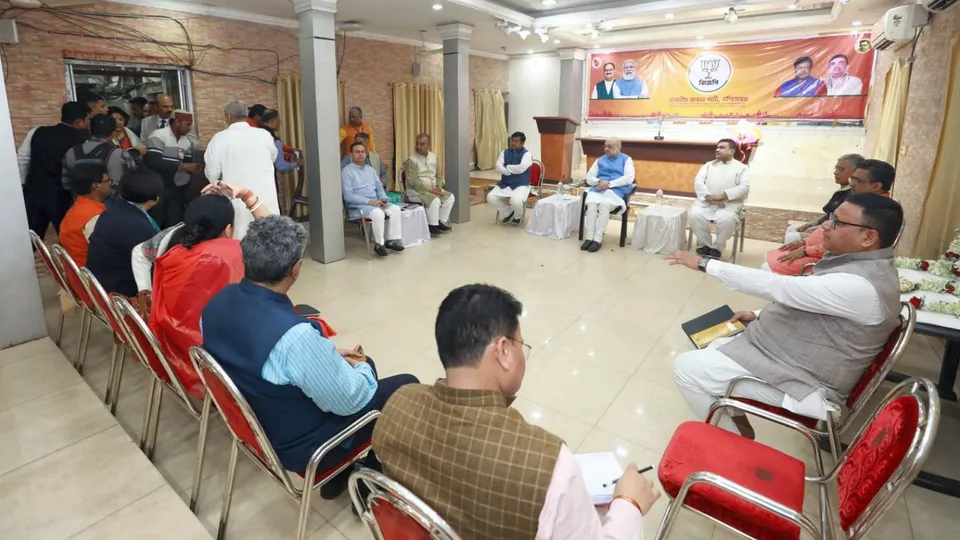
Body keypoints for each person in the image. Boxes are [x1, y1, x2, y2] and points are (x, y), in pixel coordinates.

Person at [373, 284, 661, 539]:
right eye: (521, 344)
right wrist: (629, 504)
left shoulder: (398, 404)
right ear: (503, 351)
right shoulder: (548, 465)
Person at [201, 215, 419, 497]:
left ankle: (343, 473)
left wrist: (325, 355)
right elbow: (351, 400)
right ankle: (368, 476)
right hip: (305, 448)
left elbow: (256, 354)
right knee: (404, 386)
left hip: (259, 424)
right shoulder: (294, 337)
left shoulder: (217, 301)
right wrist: (363, 366)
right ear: (295, 268)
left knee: (354, 368)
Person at [667, 193, 904, 439]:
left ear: (868, 237)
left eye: (838, 222)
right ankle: (733, 417)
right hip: (784, 353)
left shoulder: (860, 286)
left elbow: (779, 287)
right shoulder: (860, 268)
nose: (826, 226)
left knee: (686, 368)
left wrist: (705, 263)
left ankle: (734, 445)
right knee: (700, 339)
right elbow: (814, 303)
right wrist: (756, 314)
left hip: (804, 382)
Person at [149, 190, 267, 394]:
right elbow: (280, 241)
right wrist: (248, 196)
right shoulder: (231, 254)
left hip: (178, 351)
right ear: (228, 229)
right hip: (220, 360)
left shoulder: (174, 251)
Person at [132, 182, 271, 316]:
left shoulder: (172, 237)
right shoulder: (233, 256)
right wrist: (247, 196)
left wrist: (146, 292)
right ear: (228, 230)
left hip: (165, 323)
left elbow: (139, 252)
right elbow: (276, 237)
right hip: (209, 330)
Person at [765, 160, 896, 275]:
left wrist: (806, 250)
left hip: (829, 258)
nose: (852, 184)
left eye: (858, 180)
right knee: (773, 257)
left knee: (769, 266)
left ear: (876, 186)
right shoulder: (858, 202)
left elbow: (845, 245)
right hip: (817, 249)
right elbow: (828, 225)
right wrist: (805, 242)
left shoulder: (875, 212)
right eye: (852, 179)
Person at [205, 99, 279, 239]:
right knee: (270, 237)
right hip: (264, 198)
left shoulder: (219, 138)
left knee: (241, 236)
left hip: (238, 199)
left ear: (228, 116)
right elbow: (273, 157)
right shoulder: (264, 135)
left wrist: (218, 185)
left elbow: (212, 173)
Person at [87, 168, 164, 297]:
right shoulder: (137, 226)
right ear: (155, 196)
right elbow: (155, 266)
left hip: (100, 283)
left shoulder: (114, 211)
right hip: (119, 294)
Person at [22, 101, 91, 238]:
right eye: (88, 120)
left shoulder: (37, 132)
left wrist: (23, 186)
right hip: (63, 197)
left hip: (34, 192)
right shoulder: (82, 140)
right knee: (68, 237)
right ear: (78, 122)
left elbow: (22, 160)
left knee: (32, 238)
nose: (89, 124)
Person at [689, 139, 750, 258]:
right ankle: (705, 245)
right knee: (695, 215)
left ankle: (717, 248)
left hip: (728, 204)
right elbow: (698, 183)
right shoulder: (708, 165)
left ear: (731, 151)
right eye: (717, 147)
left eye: (722, 147)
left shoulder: (742, 168)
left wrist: (721, 196)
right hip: (707, 202)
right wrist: (709, 197)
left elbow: (744, 188)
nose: (717, 150)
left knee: (727, 220)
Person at [783, 154, 863, 243]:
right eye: (836, 168)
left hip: (835, 234)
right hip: (827, 227)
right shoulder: (843, 191)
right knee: (792, 228)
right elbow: (829, 215)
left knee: (793, 237)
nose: (835, 172)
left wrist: (815, 229)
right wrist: (811, 224)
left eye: (841, 169)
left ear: (856, 173)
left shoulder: (853, 194)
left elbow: (839, 224)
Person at [342, 142, 404, 257]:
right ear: (351, 154)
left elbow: (379, 187)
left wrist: (383, 198)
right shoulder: (346, 171)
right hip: (358, 206)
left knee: (395, 209)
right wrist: (369, 202)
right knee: (378, 213)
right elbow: (348, 196)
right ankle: (379, 245)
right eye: (357, 152)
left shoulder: (370, 170)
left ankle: (391, 241)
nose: (360, 154)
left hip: (376, 202)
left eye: (362, 152)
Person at [144, 110, 200, 228]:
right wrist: (181, 166)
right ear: (177, 122)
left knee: (174, 222)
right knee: (157, 221)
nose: (189, 128)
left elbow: (187, 163)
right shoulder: (158, 136)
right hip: (159, 187)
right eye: (187, 124)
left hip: (177, 189)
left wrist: (194, 168)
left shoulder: (186, 141)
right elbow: (153, 161)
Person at [581, 138, 635, 253]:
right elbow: (589, 177)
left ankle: (597, 240)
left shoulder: (626, 159)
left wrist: (609, 184)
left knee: (604, 205)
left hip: (616, 191)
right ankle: (589, 238)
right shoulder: (600, 160)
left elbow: (629, 178)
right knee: (591, 205)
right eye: (605, 146)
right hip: (598, 190)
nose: (606, 149)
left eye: (610, 147)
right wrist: (599, 181)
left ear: (618, 147)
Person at [58, 162, 112, 267]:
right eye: (107, 181)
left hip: (75, 270)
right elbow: (109, 253)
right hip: (90, 273)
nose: (110, 184)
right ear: (96, 185)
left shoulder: (75, 209)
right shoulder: (95, 217)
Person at [62, 114, 131, 191]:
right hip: (111, 198)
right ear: (113, 133)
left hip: (80, 198)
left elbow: (66, 184)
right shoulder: (120, 154)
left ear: (90, 129)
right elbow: (131, 181)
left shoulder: (71, 152)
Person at [403, 132, 455, 234]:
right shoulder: (411, 161)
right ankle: (432, 225)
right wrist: (430, 190)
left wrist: (439, 187)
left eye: (422, 144)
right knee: (435, 200)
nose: (418, 146)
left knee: (450, 197)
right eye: (417, 143)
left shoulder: (433, 157)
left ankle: (441, 221)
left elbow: (439, 175)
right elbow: (413, 182)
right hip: (416, 192)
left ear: (429, 145)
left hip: (433, 189)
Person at [488, 131, 533, 225]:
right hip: (505, 183)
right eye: (512, 140)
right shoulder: (504, 152)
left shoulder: (526, 154)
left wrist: (507, 167)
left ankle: (518, 217)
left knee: (515, 201)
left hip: (521, 184)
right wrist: (508, 171)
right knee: (490, 197)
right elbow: (498, 167)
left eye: (516, 141)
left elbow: (521, 169)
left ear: (522, 143)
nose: (513, 143)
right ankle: (508, 212)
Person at [261, 108, 303, 174]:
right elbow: (281, 166)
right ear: (272, 121)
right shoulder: (274, 141)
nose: (279, 123)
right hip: (267, 177)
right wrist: (298, 163)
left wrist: (287, 156)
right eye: (278, 120)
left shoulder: (255, 136)